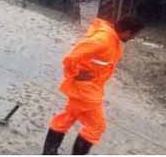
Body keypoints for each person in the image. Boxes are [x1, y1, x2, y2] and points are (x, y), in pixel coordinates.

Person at [42, 15, 144, 155]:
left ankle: (49, 152)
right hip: (85, 91)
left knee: (67, 118)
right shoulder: (102, 40)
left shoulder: (112, 39)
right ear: (127, 31)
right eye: (134, 35)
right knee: (96, 126)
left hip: (90, 89)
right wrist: (75, 73)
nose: (133, 38)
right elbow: (72, 57)